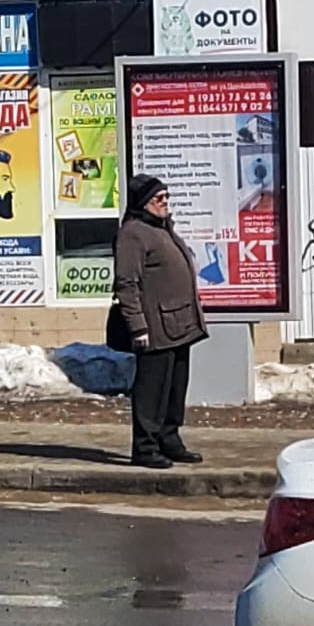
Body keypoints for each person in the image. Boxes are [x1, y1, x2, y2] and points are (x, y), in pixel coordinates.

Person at [112, 174, 208, 469]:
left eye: (167, 197)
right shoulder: (134, 233)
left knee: (175, 386)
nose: (165, 203)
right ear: (143, 202)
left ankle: (170, 438)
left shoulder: (162, 228)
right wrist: (137, 326)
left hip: (178, 325)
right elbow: (127, 283)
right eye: (159, 199)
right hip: (154, 327)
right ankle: (145, 446)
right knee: (152, 389)